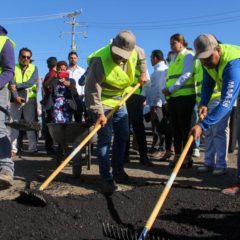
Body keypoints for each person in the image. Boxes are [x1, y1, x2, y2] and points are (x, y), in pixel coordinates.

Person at [85, 30, 147, 194]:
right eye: (117, 53)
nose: (119, 57)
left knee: (123, 135)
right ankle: (106, 178)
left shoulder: (136, 50)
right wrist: (99, 113)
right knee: (105, 140)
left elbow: (142, 58)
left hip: (120, 101)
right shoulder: (100, 60)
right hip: (102, 101)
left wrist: (143, 73)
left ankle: (118, 171)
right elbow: (91, 90)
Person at [190, 33, 240, 195]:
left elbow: (226, 102)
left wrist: (202, 125)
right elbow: (207, 83)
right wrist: (204, 103)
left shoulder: (233, 63)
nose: (204, 61)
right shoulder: (207, 63)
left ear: (218, 49)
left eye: (207, 57)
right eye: (201, 58)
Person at [162, 33, 201, 168]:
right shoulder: (173, 57)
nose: (171, 46)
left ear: (181, 42)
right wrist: (167, 94)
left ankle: (187, 157)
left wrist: (171, 89)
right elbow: (170, 77)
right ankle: (178, 154)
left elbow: (186, 74)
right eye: (170, 44)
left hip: (185, 96)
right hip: (173, 97)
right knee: (175, 127)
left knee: (185, 127)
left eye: (173, 43)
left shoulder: (188, 55)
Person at [125, 46, 153, 166]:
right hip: (123, 98)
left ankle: (144, 156)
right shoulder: (123, 63)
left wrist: (142, 96)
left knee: (138, 128)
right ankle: (124, 156)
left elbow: (147, 82)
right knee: (124, 128)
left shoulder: (142, 67)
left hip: (136, 98)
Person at [9, 48, 39, 155]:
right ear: (19, 57)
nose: (26, 59)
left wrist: (16, 86)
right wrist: (16, 96)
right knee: (14, 123)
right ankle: (12, 149)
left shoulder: (34, 68)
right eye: (23, 56)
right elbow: (11, 82)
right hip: (14, 99)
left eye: (28, 57)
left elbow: (30, 82)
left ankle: (32, 148)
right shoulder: (13, 67)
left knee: (30, 124)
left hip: (28, 100)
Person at [148, 49, 173, 160]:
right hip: (160, 103)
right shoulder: (158, 71)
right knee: (159, 128)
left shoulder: (161, 71)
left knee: (162, 128)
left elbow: (158, 89)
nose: (150, 60)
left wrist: (155, 104)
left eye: (151, 57)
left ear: (155, 58)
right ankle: (161, 148)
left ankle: (162, 149)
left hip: (161, 104)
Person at [0, 25, 15, 188]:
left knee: (0, 130)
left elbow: (9, 70)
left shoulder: (4, 42)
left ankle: (6, 169)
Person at [41, 57, 57, 153]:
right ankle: (49, 147)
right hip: (52, 101)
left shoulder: (48, 73)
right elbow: (47, 86)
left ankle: (49, 146)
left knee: (49, 123)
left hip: (49, 102)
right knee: (51, 124)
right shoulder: (53, 74)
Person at [68, 51, 85, 122]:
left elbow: (84, 84)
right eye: (71, 58)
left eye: (75, 58)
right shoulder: (66, 70)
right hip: (68, 96)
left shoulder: (82, 70)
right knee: (68, 118)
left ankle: (78, 132)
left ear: (77, 59)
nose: (73, 59)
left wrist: (83, 94)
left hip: (79, 97)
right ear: (68, 59)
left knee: (78, 118)